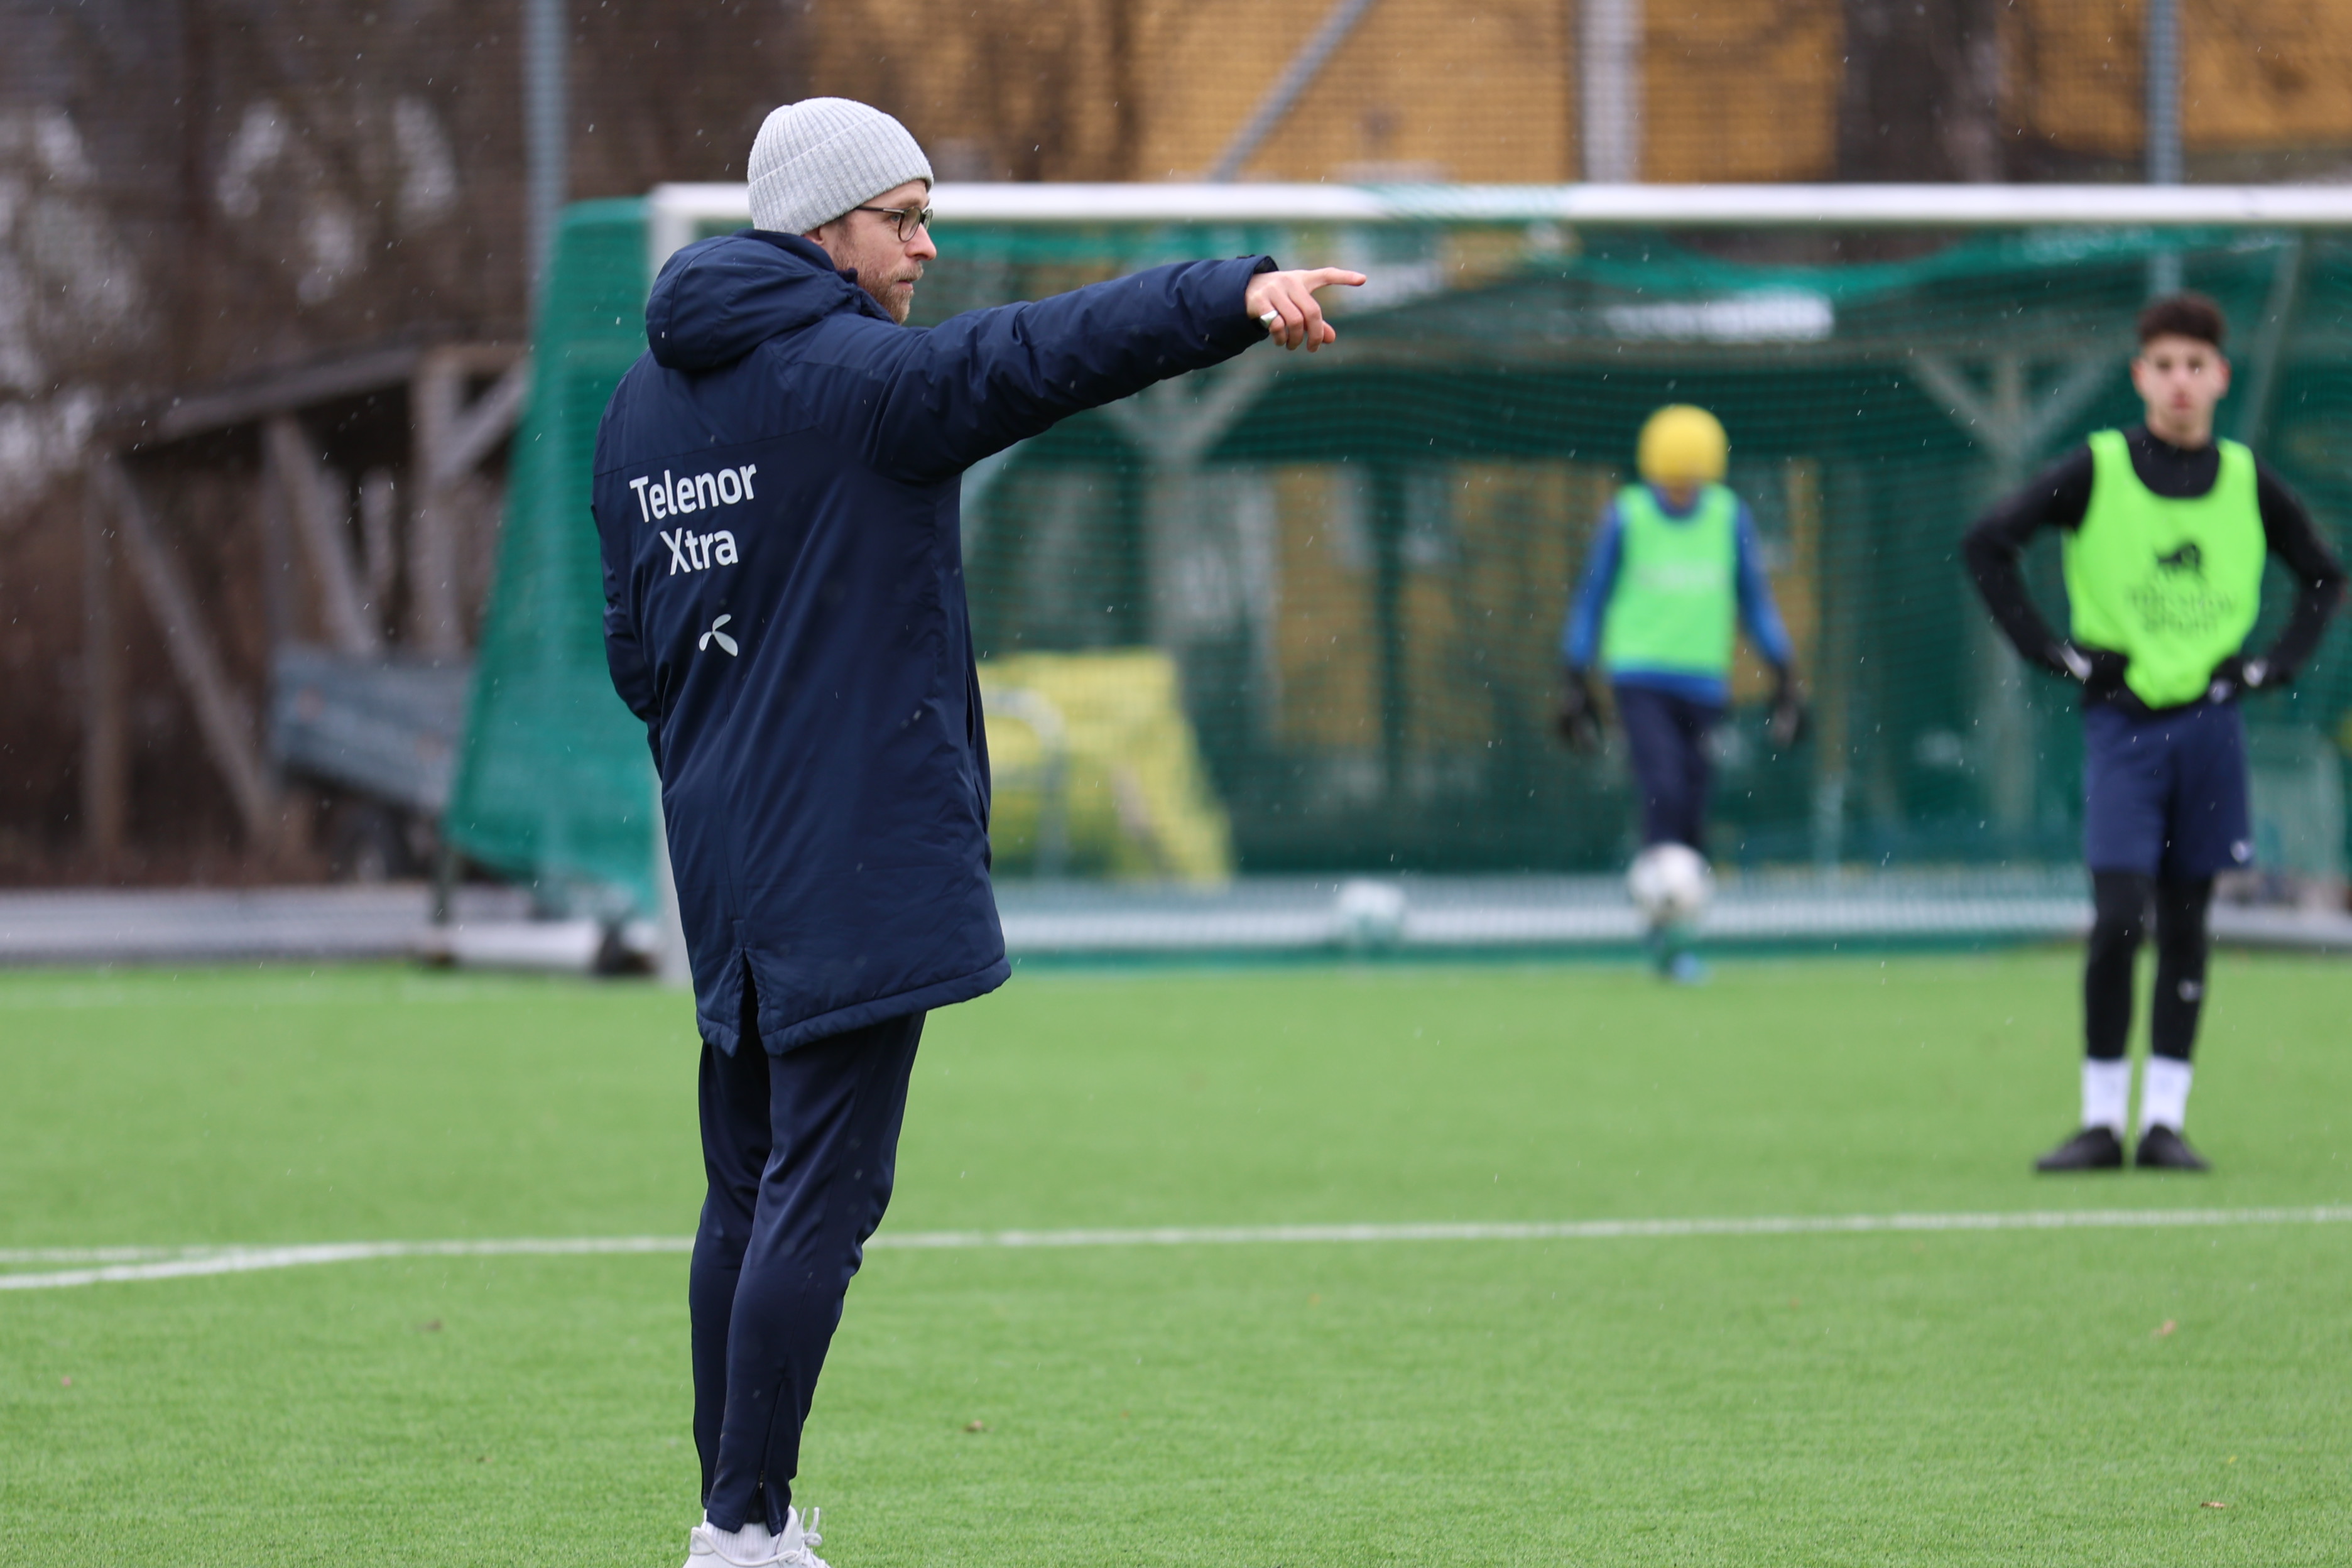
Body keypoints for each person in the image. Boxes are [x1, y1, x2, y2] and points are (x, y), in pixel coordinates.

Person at [592, 97, 1364, 1568]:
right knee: (822, 1183)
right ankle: (740, 1529)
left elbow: (640, 654)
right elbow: (1041, 355)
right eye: (903, 216)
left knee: (745, 1180)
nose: (927, 246)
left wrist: (734, 734)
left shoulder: (640, 404)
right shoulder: (859, 382)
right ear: (823, 226)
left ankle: (732, 1519)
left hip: (724, 845)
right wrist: (1224, 292)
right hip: (849, 843)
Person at [1964, 291, 2344, 1174]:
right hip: (2123, 728)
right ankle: (2102, 1120)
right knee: (2118, 917)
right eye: (2163, 366)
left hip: (2211, 728)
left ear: (2219, 376)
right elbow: (1988, 544)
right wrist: (2053, 654)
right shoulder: (2099, 469)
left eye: (2194, 367)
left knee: (2188, 922)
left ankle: (2164, 1121)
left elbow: (2323, 579)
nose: (2179, 383)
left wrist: (2268, 667)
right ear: (2141, 377)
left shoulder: (2250, 483)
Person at [1557, 404, 1807, 981]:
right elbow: (1591, 600)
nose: (1679, 491)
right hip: (1639, 678)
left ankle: (1677, 929)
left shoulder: (1728, 517)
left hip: (1704, 684)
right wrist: (1575, 678)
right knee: (1662, 788)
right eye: (1671, 480)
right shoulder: (1628, 516)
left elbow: (1756, 600)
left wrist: (1785, 674)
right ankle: (1662, 928)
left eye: (1689, 480)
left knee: (1693, 806)